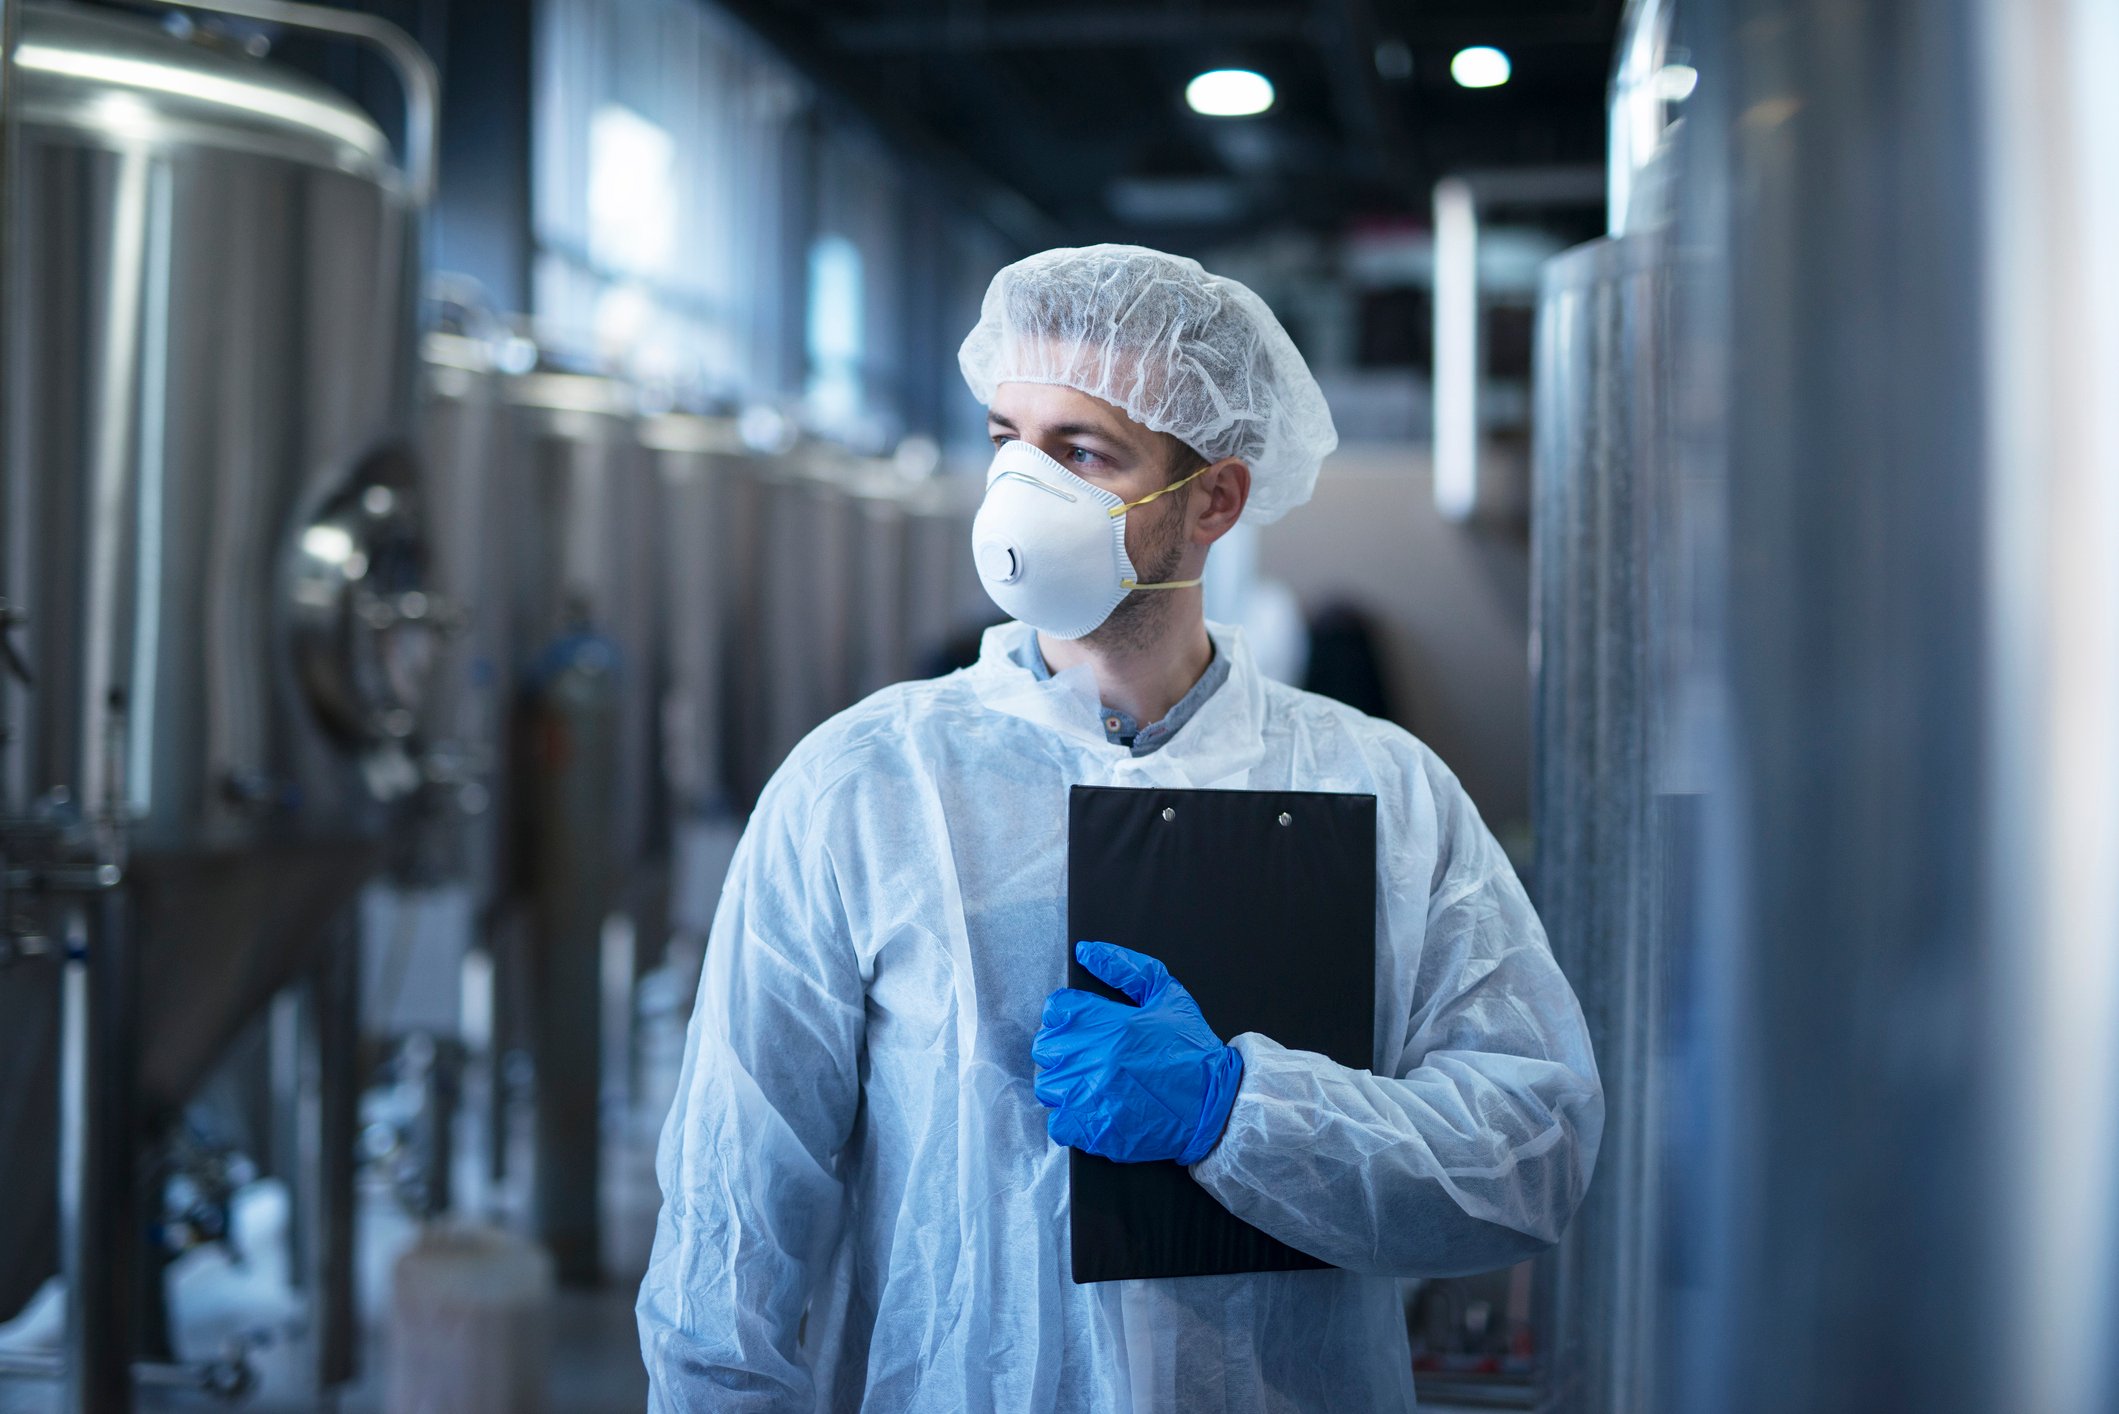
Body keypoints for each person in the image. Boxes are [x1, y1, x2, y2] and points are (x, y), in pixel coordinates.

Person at [637, 244, 1603, 1412]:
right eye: (1007, 439)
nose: (1021, 491)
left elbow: (1531, 1149)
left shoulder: (1381, 789)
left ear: (1214, 500)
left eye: (1082, 451)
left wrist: (1239, 1110)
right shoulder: (864, 787)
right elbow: (729, 1219)